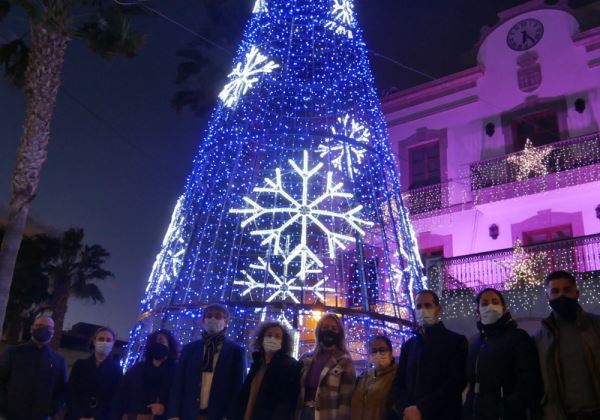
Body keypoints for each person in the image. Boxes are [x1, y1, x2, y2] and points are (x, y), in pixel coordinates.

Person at [463, 288, 541, 420]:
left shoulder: (517, 337)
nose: (490, 306)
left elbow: (528, 379)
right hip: (476, 412)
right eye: (485, 303)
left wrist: (507, 410)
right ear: (478, 310)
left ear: (503, 308)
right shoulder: (475, 342)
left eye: (495, 302)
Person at [390, 290, 467, 420]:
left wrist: (422, 409)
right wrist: (406, 409)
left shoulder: (456, 342)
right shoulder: (408, 346)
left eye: (428, 305)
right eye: (419, 306)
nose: (423, 310)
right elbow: (398, 383)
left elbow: (456, 382)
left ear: (438, 308)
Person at [533, 270, 600, 420]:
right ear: (547, 296)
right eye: (555, 291)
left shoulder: (597, 327)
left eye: (567, 290)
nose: (561, 296)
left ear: (577, 293)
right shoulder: (539, 339)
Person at [167, 303, 246, 420]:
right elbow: (179, 383)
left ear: (226, 322)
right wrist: (173, 415)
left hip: (218, 415)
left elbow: (237, 388)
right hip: (188, 414)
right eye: (209, 315)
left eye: (218, 316)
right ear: (203, 320)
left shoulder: (236, 352)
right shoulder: (189, 349)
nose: (213, 319)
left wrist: (230, 416)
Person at [0, 315, 67, 420]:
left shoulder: (59, 360)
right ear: (32, 328)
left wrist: (51, 410)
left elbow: (62, 391)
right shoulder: (13, 353)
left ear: (53, 332)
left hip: (41, 417)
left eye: (47, 327)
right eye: (39, 325)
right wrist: (4, 406)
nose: (43, 329)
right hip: (11, 415)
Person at [232, 321, 303, 420]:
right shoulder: (257, 364)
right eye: (269, 335)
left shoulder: (290, 366)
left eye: (277, 336)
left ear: (283, 342)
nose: (272, 338)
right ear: (262, 338)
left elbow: (286, 403)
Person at [298, 313, 356, 420]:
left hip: (327, 415)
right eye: (325, 327)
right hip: (302, 414)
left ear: (339, 333)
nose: (329, 331)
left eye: (333, 328)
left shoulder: (345, 362)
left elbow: (346, 402)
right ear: (319, 331)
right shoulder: (306, 359)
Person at [113, 329, 178, 420]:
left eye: (160, 341)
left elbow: (180, 399)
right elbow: (120, 396)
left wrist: (164, 408)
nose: (157, 344)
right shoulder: (136, 369)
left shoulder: (176, 372)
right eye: (153, 342)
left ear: (170, 346)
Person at [65, 326, 122, 420]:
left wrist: (96, 417)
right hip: (75, 416)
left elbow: (115, 398)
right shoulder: (80, 365)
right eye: (101, 339)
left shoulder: (117, 370)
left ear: (113, 343)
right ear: (94, 341)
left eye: (108, 340)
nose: (105, 342)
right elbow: (71, 391)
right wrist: (79, 415)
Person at [350, 335, 396, 420]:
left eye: (382, 350)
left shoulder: (398, 376)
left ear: (390, 352)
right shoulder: (364, 377)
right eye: (374, 351)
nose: (378, 354)